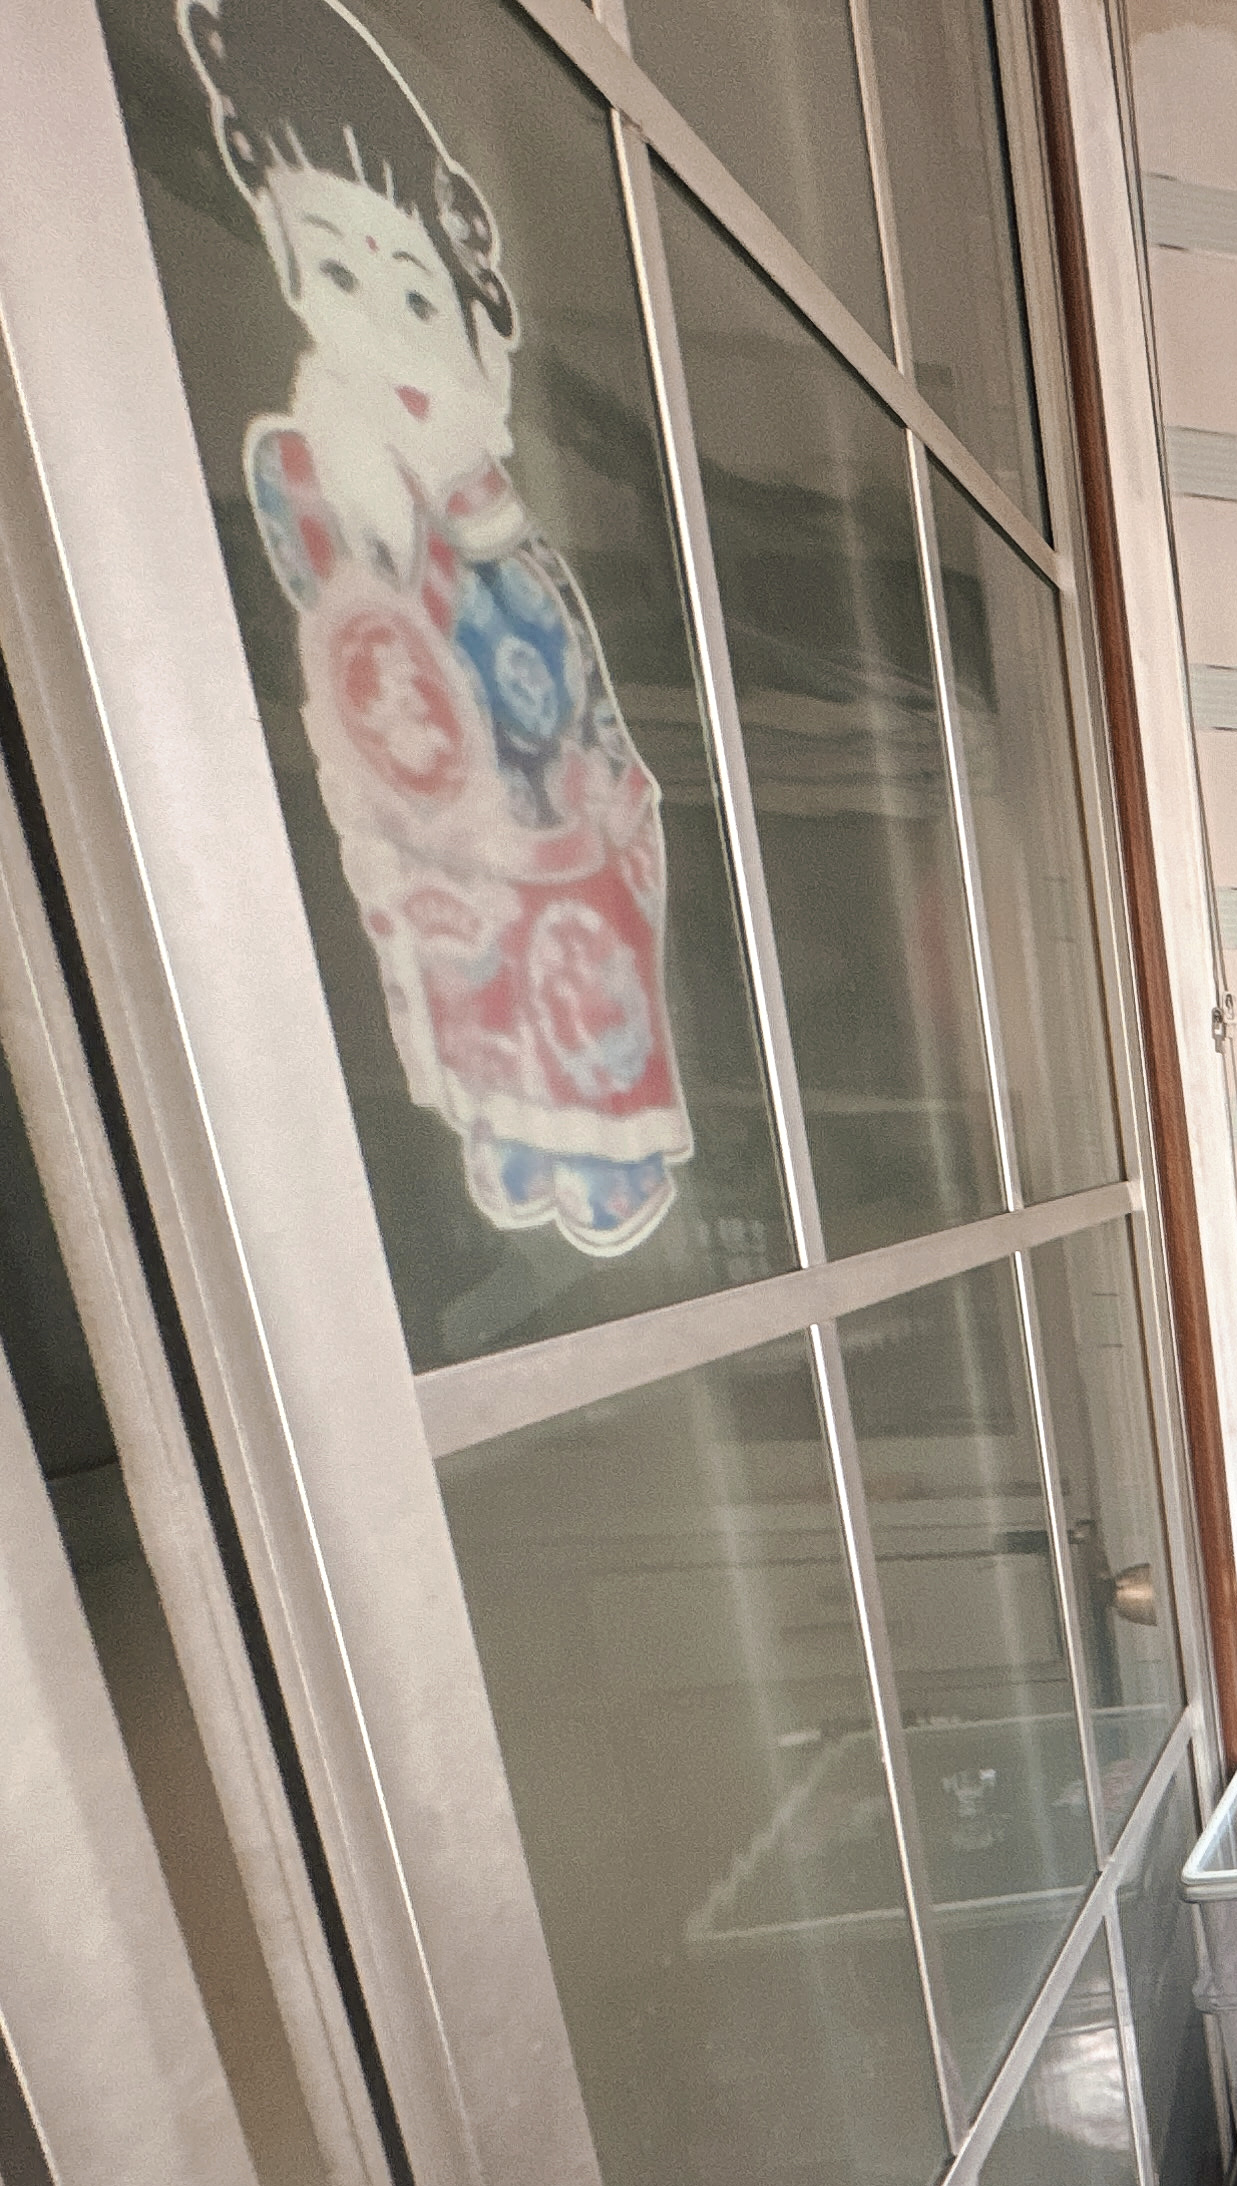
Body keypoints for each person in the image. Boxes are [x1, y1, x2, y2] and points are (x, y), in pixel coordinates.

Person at [182, 0, 691, 1259]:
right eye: (339, 278)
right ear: (289, 268)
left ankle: (596, 1158)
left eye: (412, 292)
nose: (379, 326)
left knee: (587, 1004)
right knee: (492, 1003)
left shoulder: (488, 502)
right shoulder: (320, 472)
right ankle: (524, 1146)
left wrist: (610, 790)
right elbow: (360, 648)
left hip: (565, 827)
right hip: (457, 834)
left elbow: (570, 669)